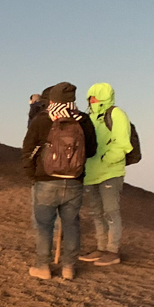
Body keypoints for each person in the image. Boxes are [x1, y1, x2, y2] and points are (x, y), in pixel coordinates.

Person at [21, 82, 98, 280]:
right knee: (71, 224)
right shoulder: (83, 120)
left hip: (45, 180)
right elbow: (91, 150)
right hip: (74, 181)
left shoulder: (43, 119)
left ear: (52, 99)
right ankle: (68, 268)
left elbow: (28, 148)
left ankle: (43, 267)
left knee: (44, 225)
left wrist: (33, 174)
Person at [80, 83, 132, 266]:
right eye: (90, 97)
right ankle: (101, 248)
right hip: (91, 173)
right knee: (96, 212)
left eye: (94, 96)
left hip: (110, 172)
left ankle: (112, 251)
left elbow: (123, 143)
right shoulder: (88, 117)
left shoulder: (116, 114)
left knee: (111, 212)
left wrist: (106, 159)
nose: (91, 100)